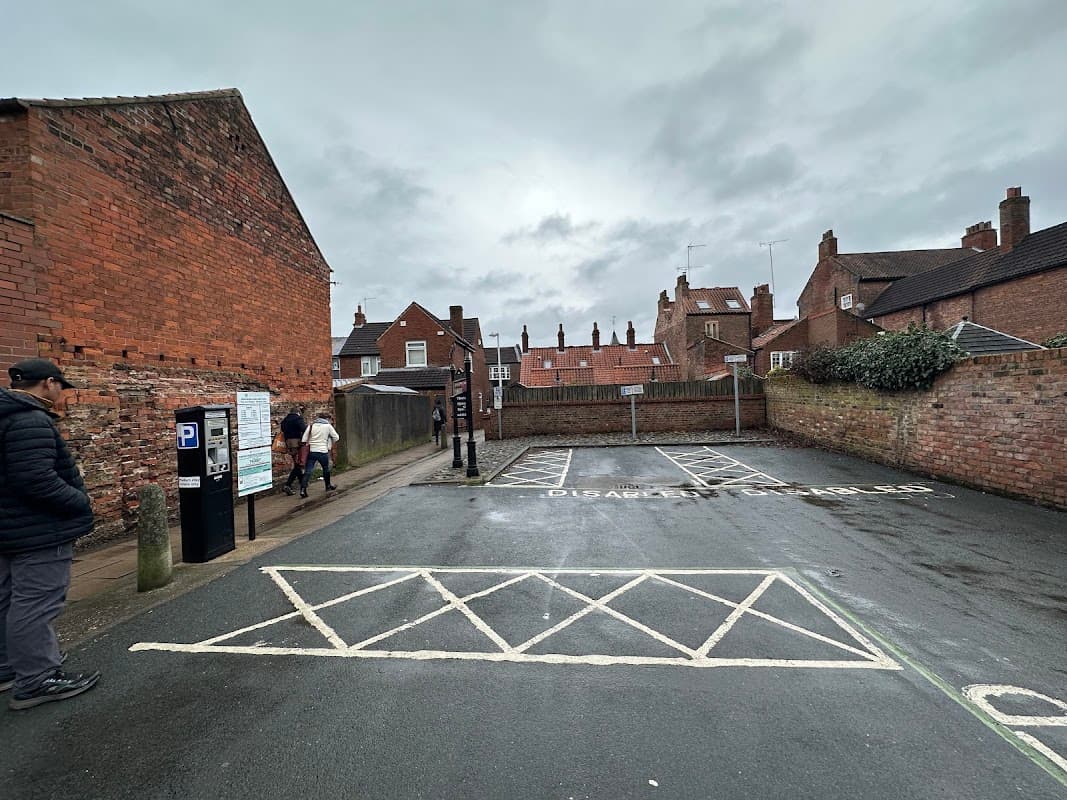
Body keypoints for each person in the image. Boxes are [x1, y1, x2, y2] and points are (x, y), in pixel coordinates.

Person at [0, 358, 100, 710]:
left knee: (10, 599)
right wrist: (79, 502)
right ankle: (38, 679)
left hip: (9, 529)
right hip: (37, 530)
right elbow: (37, 480)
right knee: (36, 604)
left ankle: (10, 666)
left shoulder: (5, 415)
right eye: (62, 387)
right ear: (48, 383)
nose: (63, 395)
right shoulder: (30, 420)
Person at [298, 412, 340, 498]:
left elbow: (304, 439)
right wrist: (329, 441)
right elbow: (336, 437)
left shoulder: (311, 426)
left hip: (312, 451)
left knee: (308, 471)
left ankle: (303, 489)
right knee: (326, 469)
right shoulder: (328, 426)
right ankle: (328, 485)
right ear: (327, 419)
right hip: (323, 451)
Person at [279, 406, 307, 496]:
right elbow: (304, 429)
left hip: (288, 443)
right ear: (297, 412)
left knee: (296, 463)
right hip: (297, 443)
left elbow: (282, 429)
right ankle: (288, 484)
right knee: (298, 464)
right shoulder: (298, 419)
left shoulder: (285, 420)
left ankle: (302, 482)